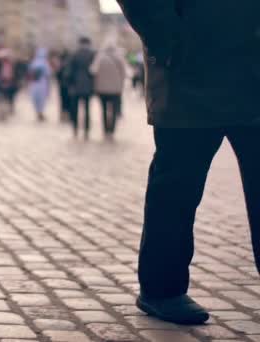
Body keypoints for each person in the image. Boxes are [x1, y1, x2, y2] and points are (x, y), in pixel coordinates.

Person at [118, 0, 260, 325]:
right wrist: (172, 42)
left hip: (252, 66)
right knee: (177, 187)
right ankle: (162, 289)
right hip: (189, 75)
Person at [90, 40, 127, 138]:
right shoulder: (119, 57)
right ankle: (112, 130)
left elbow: (93, 70)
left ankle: (105, 129)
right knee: (114, 110)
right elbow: (124, 73)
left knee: (103, 110)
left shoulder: (99, 58)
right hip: (116, 89)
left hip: (102, 89)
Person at [66, 37, 95, 138]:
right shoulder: (92, 54)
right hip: (88, 86)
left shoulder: (74, 54)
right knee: (87, 109)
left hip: (75, 86)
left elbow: (68, 71)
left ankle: (75, 129)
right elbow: (94, 71)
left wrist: (69, 84)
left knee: (75, 109)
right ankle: (86, 130)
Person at [28, 48, 52, 122]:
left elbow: (29, 73)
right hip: (42, 83)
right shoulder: (45, 63)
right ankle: (40, 112)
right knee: (42, 99)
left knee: (35, 98)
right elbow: (48, 74)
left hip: (34, 84)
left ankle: (38, 112)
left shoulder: (33, 62)